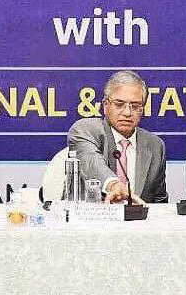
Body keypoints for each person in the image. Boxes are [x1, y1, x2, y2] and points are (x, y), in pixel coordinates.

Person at [66, 70, 167, 203]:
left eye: (135, 106)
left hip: (137, 216)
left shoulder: (155, 145)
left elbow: (159, 200)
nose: (127, 112)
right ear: (106, 106)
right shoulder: (85, 130)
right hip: (91, 215)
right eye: (119, 104)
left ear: (142, 109)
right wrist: (113, 185)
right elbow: (91, 162)